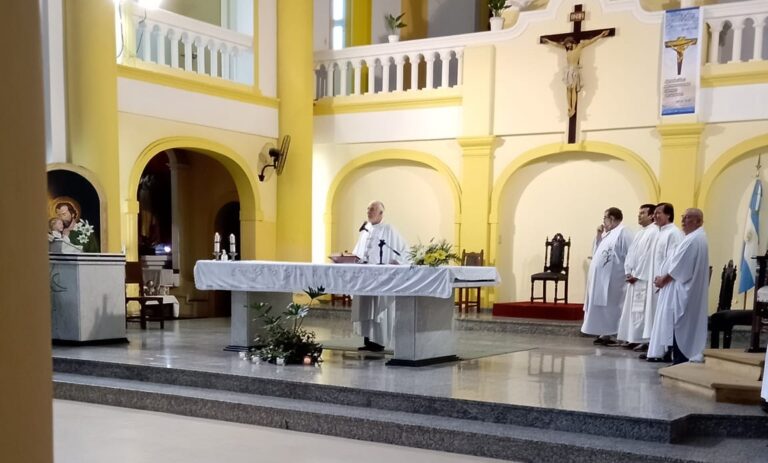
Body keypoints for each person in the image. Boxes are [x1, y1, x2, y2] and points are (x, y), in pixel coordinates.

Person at [652, 208, 709, 365]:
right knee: (683, 325)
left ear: (698, 221)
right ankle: (679, 357)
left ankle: (680, 360)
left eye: (688, 218)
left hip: (685, 291)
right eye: (683, 217)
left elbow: (680, 268)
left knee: (681, 324)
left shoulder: (694, 239)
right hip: (686, 289)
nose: (683, 221)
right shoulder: (696, 237)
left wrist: (663, 279)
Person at [351, 201, 408, 352]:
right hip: (365, 275)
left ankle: (379, 342)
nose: (369, 212)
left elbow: (402, 249)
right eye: (368, 209)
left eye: (372, 210)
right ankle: (368, 340)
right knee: (366, 306)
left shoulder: (388, 229)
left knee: (377, 307)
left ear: (381, 213)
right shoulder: (366, 229)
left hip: (381, 276)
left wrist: (397, 261)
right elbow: (358, 251)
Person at [582, 207, 633, 344]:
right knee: (603, 307)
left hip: (615, 280)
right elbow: (596, 251)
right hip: (602, 280)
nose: (603, 221)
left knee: (613, 307)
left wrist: (629, 272)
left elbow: (631, 253)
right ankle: (605, 333)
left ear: (611, 219)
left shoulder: (623, 232)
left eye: (604, 218)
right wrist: (598, 234)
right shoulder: (608, 234)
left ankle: (615, 334)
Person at [643, 203, 684, 362]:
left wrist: (664, 278)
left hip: (669, 283)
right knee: (660, 317)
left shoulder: (673, 233)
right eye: (654, 213)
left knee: (667, 317)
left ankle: (667, 350)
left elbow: (673, 260)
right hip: (660, 281)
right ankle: (658, 349)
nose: (655, 216)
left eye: (658, 213)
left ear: (668, 215)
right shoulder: (661, 232)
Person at [616, 204, 658, 349]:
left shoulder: (654, 232)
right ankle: (632, 338)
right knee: (632, 311)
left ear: (652, 215)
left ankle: (643, 340)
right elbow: (631, 254)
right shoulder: (640, 232)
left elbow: (647, 257)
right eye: (639, 213)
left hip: (643, 279)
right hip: (633, 276)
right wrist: (628, 271)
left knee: (641, 311)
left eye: (642, 213)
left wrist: (637, 274)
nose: (639, 215)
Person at [541, 30, 610, 117]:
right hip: (568, 71)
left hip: (574, 70)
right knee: (568, 89)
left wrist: (600, 35)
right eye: (566, 45)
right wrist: (548, 41)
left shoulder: (579, 46)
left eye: (568, 44)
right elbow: (557, 45)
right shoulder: (567, 49)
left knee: (573, 89)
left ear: (571, 42)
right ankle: (569, 106)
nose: (567, 46)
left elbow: (591, 41)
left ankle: (573, 108)